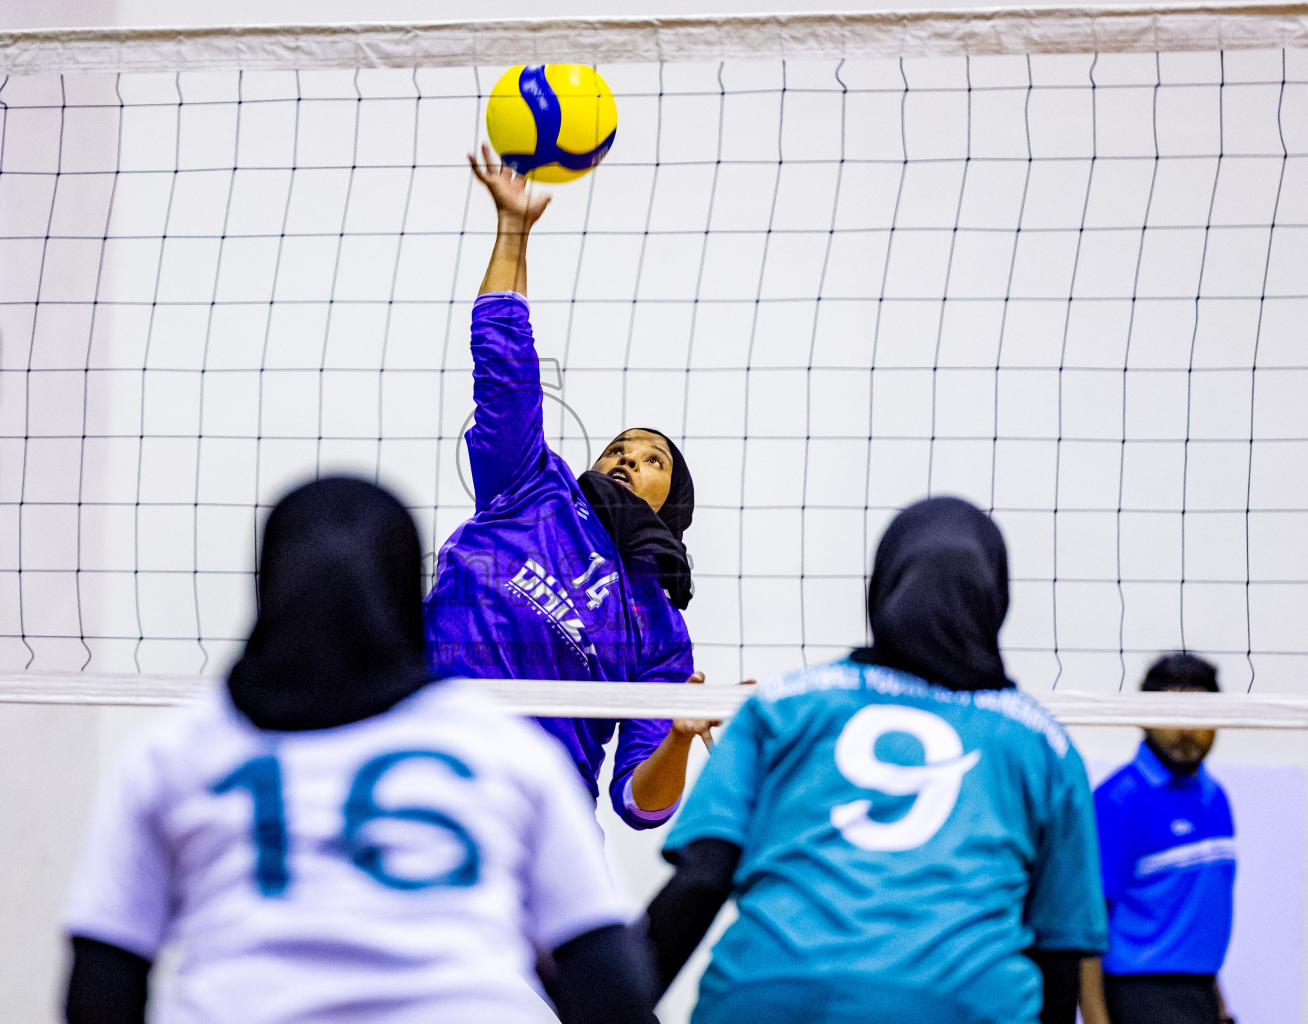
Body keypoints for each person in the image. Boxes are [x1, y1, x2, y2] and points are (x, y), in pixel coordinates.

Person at [61, 477, 656, 1024]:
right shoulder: (507, 751)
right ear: (404, 595)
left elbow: (101, 983)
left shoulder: (172, 753)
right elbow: (610, 983)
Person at [638, 496, 1108, 1024]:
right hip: (962, 1002)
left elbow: (699, 882)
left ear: (883, 584)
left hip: (769, 995)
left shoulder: (783, 705)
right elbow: (1061, 950)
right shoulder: (1043, 743)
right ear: (995, 596)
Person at [425, 144, 709, 831]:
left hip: (535, 822)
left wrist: (676, 735)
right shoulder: (532, 486)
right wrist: (513, 232)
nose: (627, 458)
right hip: (424, 765)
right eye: (619, 447)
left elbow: (642, 806)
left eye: (651, 460)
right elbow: (504, 364)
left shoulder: (662, 635)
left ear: (670, 505)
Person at [1078, 653, 1237, 1024]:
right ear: (1143, 716)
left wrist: (1221, 1009)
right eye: (1172, 714)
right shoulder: (1118, 801)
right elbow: (1087, 926)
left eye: (1199, 717)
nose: (1187, 731)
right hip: (1139, 997)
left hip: (1200, 996)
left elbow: (1191, 921)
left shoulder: (1216, 800)